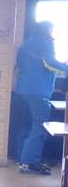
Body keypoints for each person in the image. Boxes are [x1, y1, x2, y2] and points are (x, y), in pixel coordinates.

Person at [15, 20, 68, 174]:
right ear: (48, 29)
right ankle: (30, 162)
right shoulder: (46, 42)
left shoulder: (26, 44)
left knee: (27, 126)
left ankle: (21, 158)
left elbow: (23, 66)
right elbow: (49, 63)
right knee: (40, 125)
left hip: (23, 90)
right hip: (38, 91)